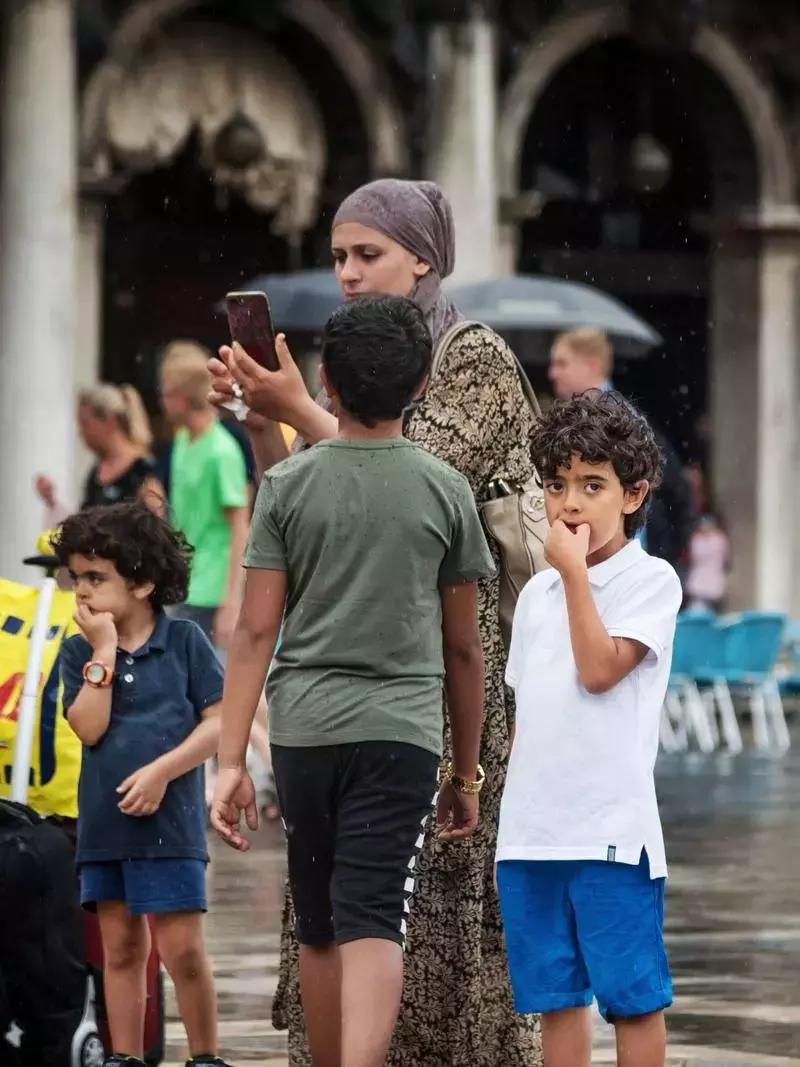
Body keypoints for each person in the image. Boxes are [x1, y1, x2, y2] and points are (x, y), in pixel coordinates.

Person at [209, 179, 541, 1066]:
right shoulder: (354, 360)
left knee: (430, 887)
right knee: (341, 902)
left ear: (423, 257)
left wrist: (296, 409)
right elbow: (319, 482)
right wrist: (259, 421)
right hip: (357, 666)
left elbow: (406, 474)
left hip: (442, 661)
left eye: (368, 255)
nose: (348, 275)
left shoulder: (477, 359)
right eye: (339, 257)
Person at [496, 392, 682, 1067]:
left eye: (592, 485)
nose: (569, 503)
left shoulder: (650, 581)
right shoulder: (539, 596)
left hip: (611, 834)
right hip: (531, 833)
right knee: (555, 999)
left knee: (633, 998)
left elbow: (600, 670)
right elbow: (530, 712)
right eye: (556, 484)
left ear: (633, 494)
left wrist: (573, 575)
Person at [54, 502, 234, 1067]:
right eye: (75, 576)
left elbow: (220, 721)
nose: (81, 590)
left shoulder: (183, 642)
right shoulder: (79, 651)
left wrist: (164, 771)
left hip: (169, 824)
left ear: (143, 581)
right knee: (122, 949)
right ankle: (125, 1057)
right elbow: (87, 725)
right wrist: (103, 653)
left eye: (96, 577)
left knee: (181, 949)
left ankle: (204, 1055)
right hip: (106, 827)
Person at [548, 327, 693, 576]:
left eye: (562, 363)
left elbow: (672, 493)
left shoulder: (624, 422)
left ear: (592, 365)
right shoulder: (605, 416)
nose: (552, 373)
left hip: (625, 569)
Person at [159, 341, 249, 652]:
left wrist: (232, 600)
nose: (162, 401)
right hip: (182, 584)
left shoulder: (222, 450)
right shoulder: (182, 441)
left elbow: (240, 527)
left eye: (167, 393)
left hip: (212, 590)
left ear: (183, 398)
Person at [35, 383, 165, 523]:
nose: (81, 433)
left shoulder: (143, 470)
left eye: (85, 424)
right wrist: (52, 502)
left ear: (109, 421)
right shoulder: (96, 473)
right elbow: (83, 525)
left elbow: (155, 528)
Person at [686, 513, 729, 612]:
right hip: (700, 580)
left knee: (716, 611)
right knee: (698, 609)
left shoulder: (719, 538)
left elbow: (724, 557)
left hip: (714, 579)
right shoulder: (697, 539)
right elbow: (696, 556)